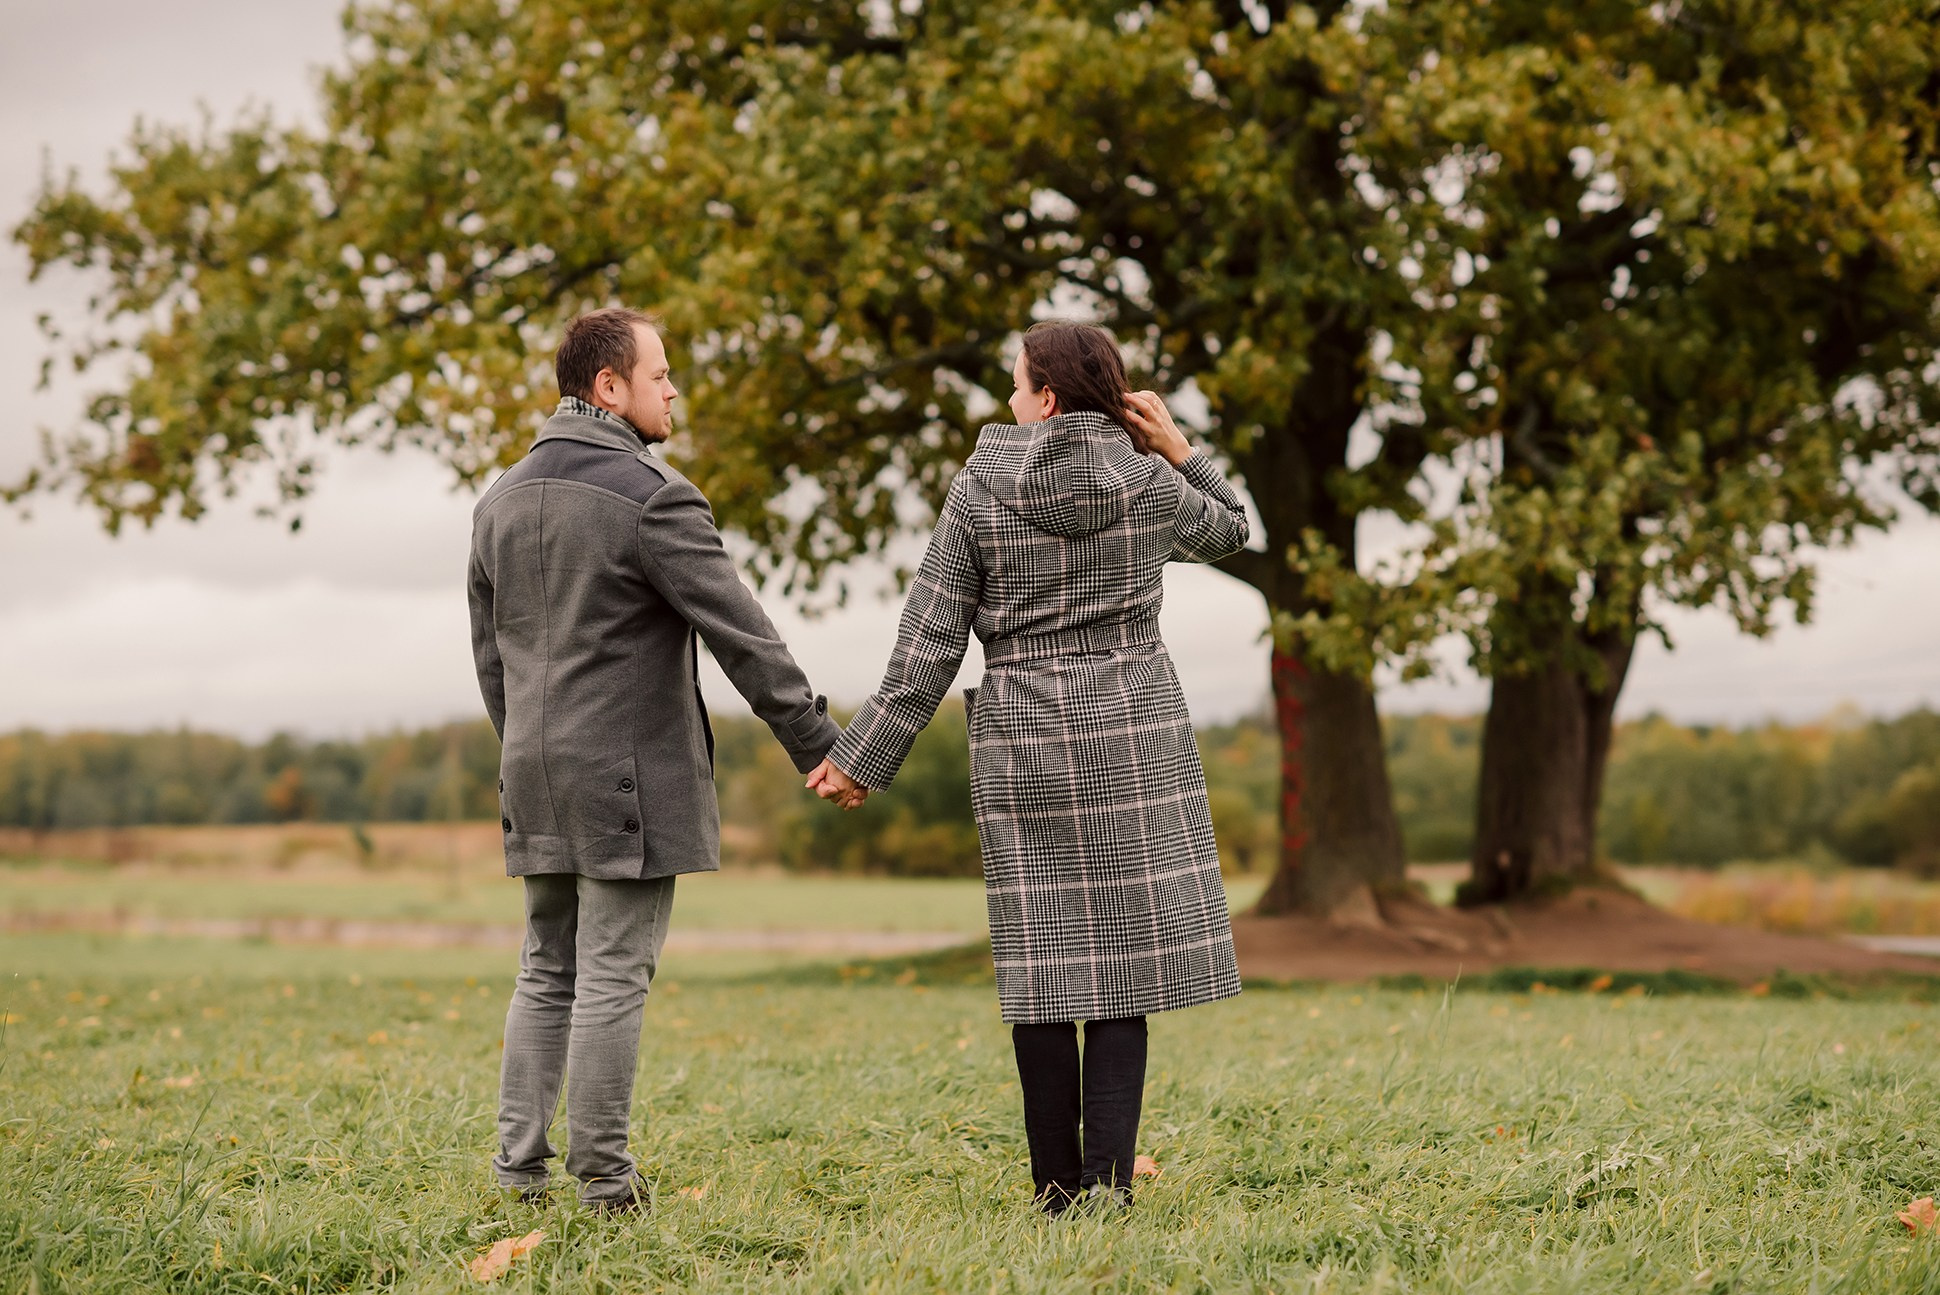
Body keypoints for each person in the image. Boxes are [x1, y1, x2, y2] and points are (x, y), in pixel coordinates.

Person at [806, 320, 1250, 1214]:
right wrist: (1181, 450)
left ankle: (1054, 1191)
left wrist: (861, 757)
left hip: (1024, 735)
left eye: (1015, 385)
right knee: (1124, 962)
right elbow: (1233, 532)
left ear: (1045, 399)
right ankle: (1109, 1191)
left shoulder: (979, 491)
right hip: (1134, 731)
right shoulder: (1147, 486)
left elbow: (930, 639)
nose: (1008, 402)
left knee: (1046, 959)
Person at [467, 307, 854, 1212]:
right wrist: (820, 743)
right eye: (661, 374)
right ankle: (605, 1182)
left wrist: (529, 749)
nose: (675, 390)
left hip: (532, 769)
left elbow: (494, 663)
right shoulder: (652, 495)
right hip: (624, 777)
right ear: (609, 386)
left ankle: (516, 1176)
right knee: (608, 972)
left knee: (545, 966)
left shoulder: (498, 499)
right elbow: (744, 636)